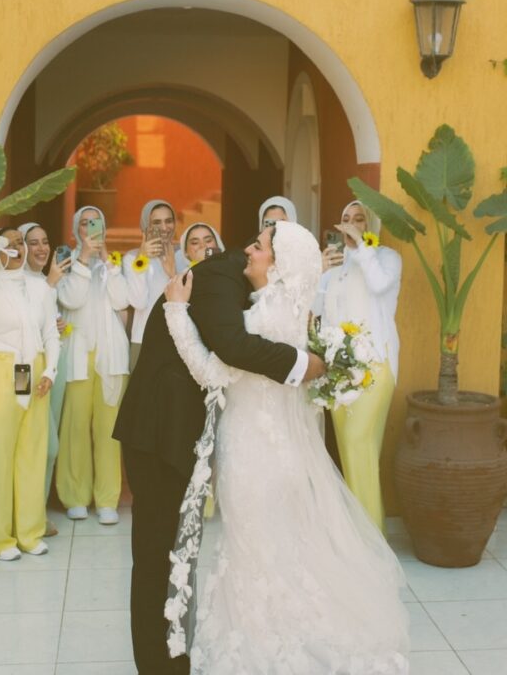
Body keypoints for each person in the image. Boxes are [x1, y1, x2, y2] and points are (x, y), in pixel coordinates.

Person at [161, 222, 409, 673]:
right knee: (271, 550)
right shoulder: (286, 311)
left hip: (254, 455)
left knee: (252, 550)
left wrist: (177, 313)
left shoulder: (265, 318)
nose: (248, 251)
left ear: (278, 266)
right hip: (274, 451)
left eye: (258, 247)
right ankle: (278, 631)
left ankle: (261, 645)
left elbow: (211, 372)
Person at [114, 224, 326, 675]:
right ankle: (157, 665)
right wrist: (302, 364)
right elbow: (231, 348)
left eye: (260, 245)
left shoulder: (252, 290)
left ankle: (177, 650)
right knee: (158, 554)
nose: (248, 248)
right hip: (159, 432)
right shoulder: (218, 279)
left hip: (186, 432)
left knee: (180, 550)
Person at [0, 228, 58, 560]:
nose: (17, 247)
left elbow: (51, 332)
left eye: (21, 242)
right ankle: (1, 541)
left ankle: (29, 534)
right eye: (10, 242)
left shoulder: (39, 287)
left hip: (34, 370)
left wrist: (50, 371)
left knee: (32, 452)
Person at [316, 199, 402, 532]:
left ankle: (371, 537)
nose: (350, 224)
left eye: (359, 219)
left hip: (376, 363)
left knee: (357, 442)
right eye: (345, 219)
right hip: (339, 370)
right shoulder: (336, 266)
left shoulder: (386, 258)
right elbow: (316, 311)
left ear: (371, 224)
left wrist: (362, 246)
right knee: (353, 451)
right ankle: (361, 535)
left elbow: (379, 284)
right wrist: (321, 272)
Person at [55, 206, 130, 524]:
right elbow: (71, 299)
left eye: (95, 222)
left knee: (108, 430)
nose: (90, 228)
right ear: (76, 230)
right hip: (77, 355)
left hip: (110, 357)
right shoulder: (66, 260)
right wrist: (84, 259)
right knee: (75, 427)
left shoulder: (113, 264)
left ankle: (107, 499)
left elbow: (122, 300)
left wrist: (107, 261)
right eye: (84, 223)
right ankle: (75, 496)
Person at [18, 221, 69, 533]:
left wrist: (55, 324)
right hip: (26, 371)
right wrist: (50, 284)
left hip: (52, 368)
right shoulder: (16, 280)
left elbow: (45, 323)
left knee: (49, 447)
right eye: (32, 242)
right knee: (41, 445)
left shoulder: (45, 279)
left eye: (45, 241)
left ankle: (37, 513)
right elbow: (21, 326)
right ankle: (25, 515)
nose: (41, 248)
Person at [123, 198, 188, 367]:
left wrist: (173, 271)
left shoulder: (184, 255)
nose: (164, 228)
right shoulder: (132, 258)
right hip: (144, 338)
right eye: (157, 223)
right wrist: (142, 258)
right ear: (146, 226)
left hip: (180, 339)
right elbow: (138, 302)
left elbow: (190, 300)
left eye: (169, 221)